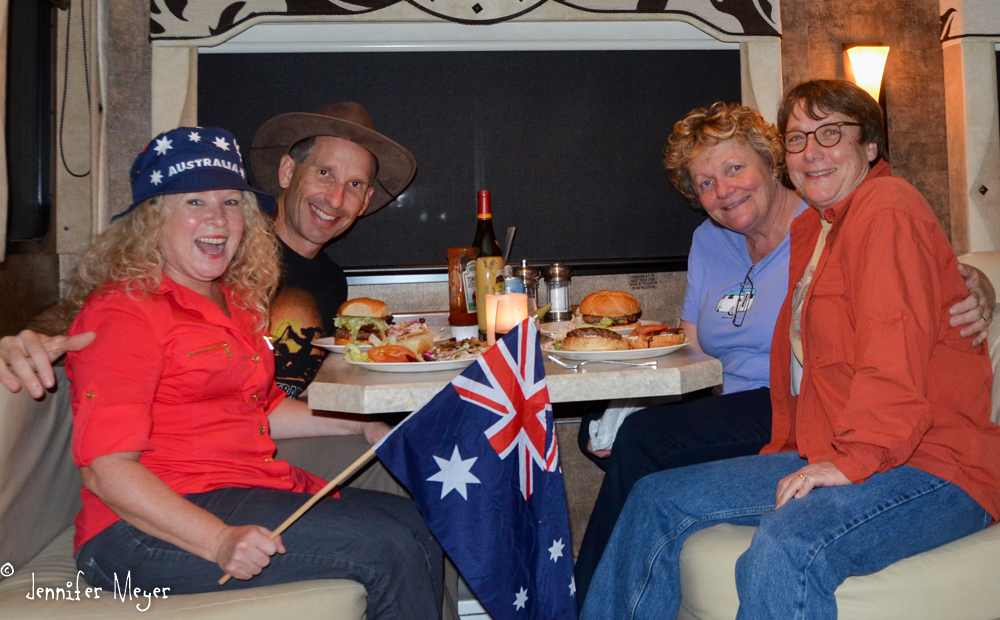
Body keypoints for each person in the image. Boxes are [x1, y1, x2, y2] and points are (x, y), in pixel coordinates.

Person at [580, 79, 1000, 620]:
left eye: (830, 133)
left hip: (937, 464)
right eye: (798, 139)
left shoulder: (886, 208)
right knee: (656, 499)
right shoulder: (825, 229)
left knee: (788, 543)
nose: (811, 152)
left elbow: (891, 350)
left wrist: (851, 462)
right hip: (838, 442)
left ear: (870, 145)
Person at [68, 127, 443, 619]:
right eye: (194, 202)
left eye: (229, 202)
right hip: (132, 536)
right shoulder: (124, 311)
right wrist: (218, 540)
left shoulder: (233, 302)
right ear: (151, 218)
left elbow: (262, 409)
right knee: (391, 547)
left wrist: (357, 420)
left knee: (420, 521)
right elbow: (104, 468)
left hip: (240, 488)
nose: (217, 219)